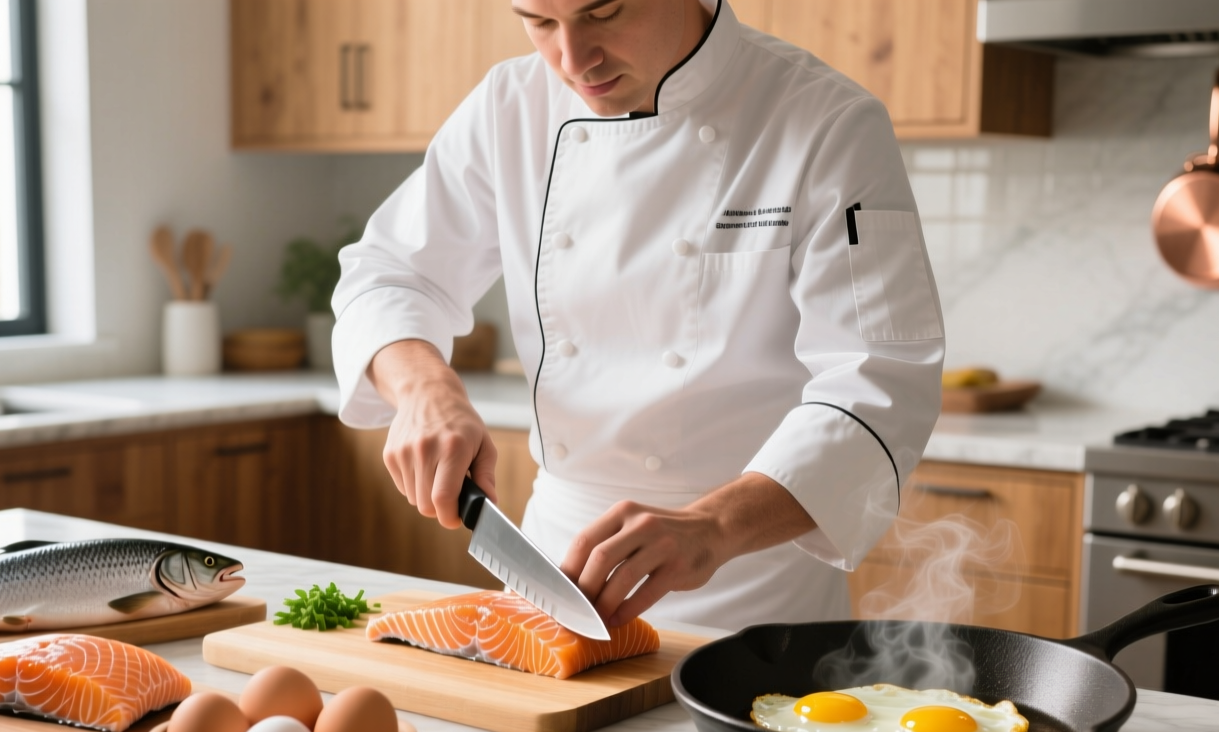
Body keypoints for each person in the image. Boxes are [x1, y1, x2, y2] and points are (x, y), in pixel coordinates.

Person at [330, 0, 943, 630]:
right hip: (557, 572)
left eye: (605, 12)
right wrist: (424, 388)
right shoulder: (508, 108)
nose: (572, 60)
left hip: (753, 590)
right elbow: (388, 273)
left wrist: (715, 525)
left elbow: (882, 380)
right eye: (538, 21)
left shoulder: (828, 122)